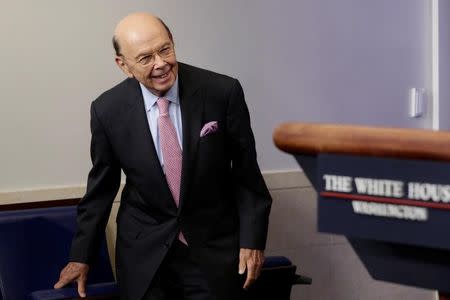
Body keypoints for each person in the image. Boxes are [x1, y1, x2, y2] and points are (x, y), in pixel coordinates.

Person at [54, 12, 272, 300]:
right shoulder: (107, 110)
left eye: (165, 49)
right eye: (145, 58)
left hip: (212, 248)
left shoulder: (222, 92)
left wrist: (252, 241)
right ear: (123, 65)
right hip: (144, 255)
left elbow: (247, 176)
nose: (161, 64)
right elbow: (101, 189)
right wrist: (81, 255)